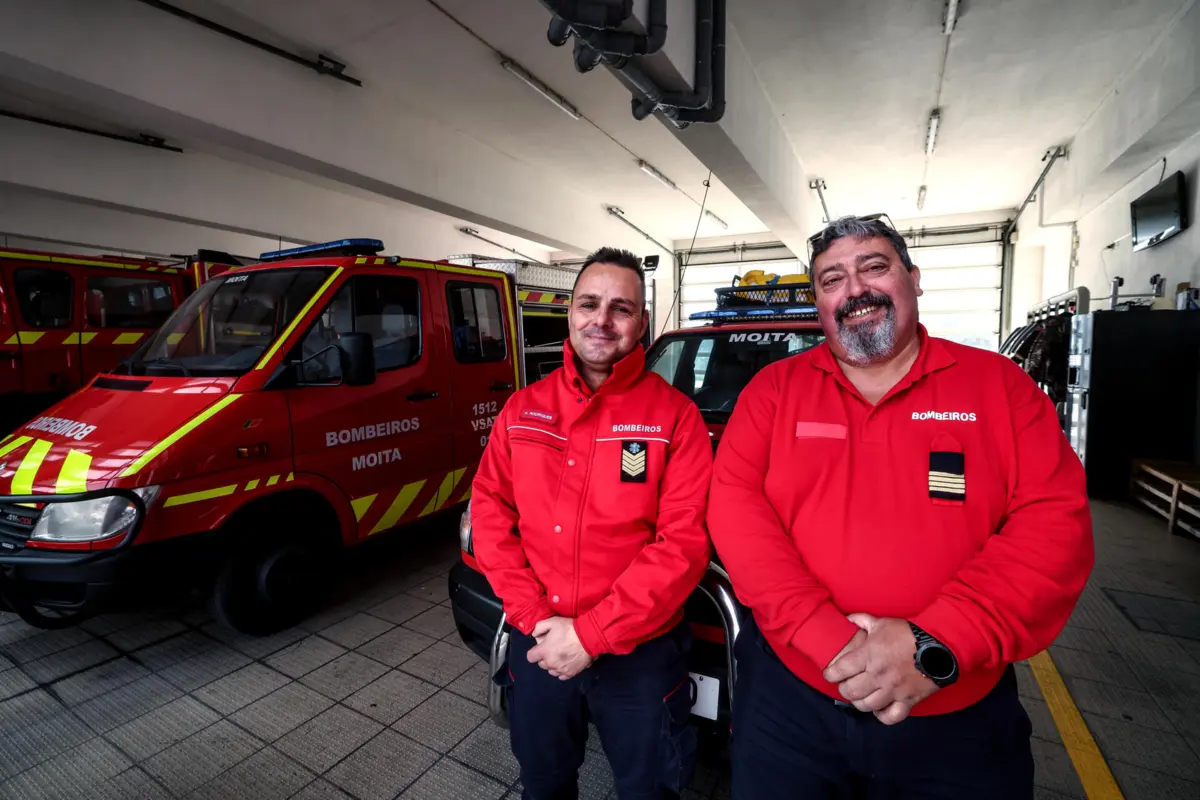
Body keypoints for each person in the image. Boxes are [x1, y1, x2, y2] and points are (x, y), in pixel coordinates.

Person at [707, 215, 1094, 799]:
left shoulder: (1000, 390)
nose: (854, 290)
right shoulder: (774, 391)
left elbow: (1053, 531)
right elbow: (736, 512)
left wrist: (933, 644)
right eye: (832, 278)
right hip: (790, 704)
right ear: (819, 302)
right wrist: (826, 639)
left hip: (955, 711)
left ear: (914, 280)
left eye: (874, 267)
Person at [471, 246, 713, 800]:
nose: (602, 320)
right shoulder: (522, 409)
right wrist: (534, 616)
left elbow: (683, 543)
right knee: (543, 781)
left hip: (640, 655)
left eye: (621, 308)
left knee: (650, 788)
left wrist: (591, 633)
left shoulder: (677, 419)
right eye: (589, 304)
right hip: (540, 640)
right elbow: (489, 513)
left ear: (643, 323)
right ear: (570, 313)